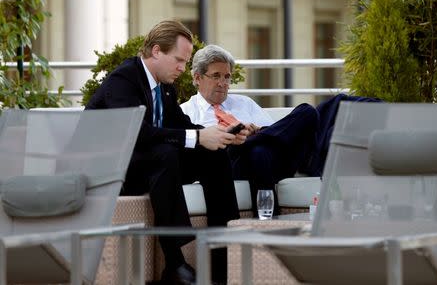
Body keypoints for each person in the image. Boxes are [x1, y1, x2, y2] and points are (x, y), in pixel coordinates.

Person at [86, 21, 247, 285]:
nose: (183, 69)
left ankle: (221, 264)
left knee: (214, 154)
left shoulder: (165, 87)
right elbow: (136, 133)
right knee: (166, 153)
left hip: (149, 164)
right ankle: (174, 263)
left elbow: (182, 127)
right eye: (179, 60)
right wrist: (196, 136)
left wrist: (221, 135)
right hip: (111, 168)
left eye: (185, 62)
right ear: (157, 51)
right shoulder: (124, 78)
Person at [180, 44, 319, 217]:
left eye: (227, 77)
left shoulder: (244, 102)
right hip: (229, 164)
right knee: (257, 151)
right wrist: (231, 137)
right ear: (197, 77)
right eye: (216, 76)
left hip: (273, 162)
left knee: (307, 111)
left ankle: (250, 140)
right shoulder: (186, 112)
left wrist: (258, 131)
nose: (223, 83)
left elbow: (274, 134)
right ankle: (269, 221)